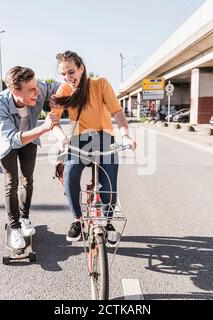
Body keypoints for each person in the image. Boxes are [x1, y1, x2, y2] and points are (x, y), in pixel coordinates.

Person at [50, 51, 136, 243]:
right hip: (79, 141)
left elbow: (117, 111)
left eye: (71, 72)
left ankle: (107, 222)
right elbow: (53, 118)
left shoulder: (100, 84)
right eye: (63, 74)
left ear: (81, 68)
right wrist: (60, 136)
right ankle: (78, 221)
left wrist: (126, 135)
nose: (68, 77)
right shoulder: (64, 89)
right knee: (70, 177)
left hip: (105, 139)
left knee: (109, 185)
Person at [0, 66, 60, 249]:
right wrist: (44, 128)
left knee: (27, 179)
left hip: (30, 139)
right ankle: (14, 228)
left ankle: (25, 218)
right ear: (15, 91)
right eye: (31, 90)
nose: (37, 92)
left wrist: (57, 98)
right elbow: (12, 139)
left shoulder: (39, 89)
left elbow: (59, 87)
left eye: (36, 87)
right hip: (9, 143)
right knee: (11, 183)